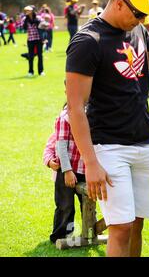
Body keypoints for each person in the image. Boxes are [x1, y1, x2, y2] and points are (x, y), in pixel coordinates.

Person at [65, 0, 149, 257]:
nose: (142, 19)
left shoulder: (138, 31)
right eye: (138, 13)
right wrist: (90, 162)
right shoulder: (87, 41)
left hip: (145, 142)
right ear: (119, 4)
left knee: (138, 224)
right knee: (120, 227)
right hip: (109, 146)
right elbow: (75, 108)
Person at [43, 102, 86, 244]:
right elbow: (50, 148)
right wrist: (50, 161)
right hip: (65, 170)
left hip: (84, 169)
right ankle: (62, 235)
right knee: (65, 206)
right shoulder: (63, 120)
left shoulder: (92, 115)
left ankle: (90, 230)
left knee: (87, 203)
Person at [22, 6, 44, 77]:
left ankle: (41, 71)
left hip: (38, 39)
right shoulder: (25, 19)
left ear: (32, 11)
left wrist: (38, 23)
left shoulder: (38, 18)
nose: (27, 12)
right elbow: (24, 28)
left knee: (40, 56)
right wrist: (25, 21)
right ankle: (30, 71)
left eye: (29, 10)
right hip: (30, 39)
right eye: (26, 11)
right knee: (31, 56)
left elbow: (43, 26)